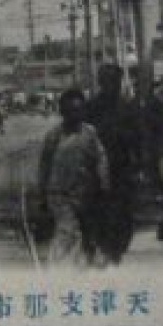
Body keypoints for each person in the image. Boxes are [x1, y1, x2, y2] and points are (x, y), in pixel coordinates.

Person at [37, 88, 110, 268]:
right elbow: (44, 166)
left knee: (87, 235)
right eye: (70, 111)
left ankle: (81, 267)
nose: (75, 115)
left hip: (86, 193)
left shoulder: (90, 133)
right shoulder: (53, 136)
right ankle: (55, 268)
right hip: (60, 194)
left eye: (78, 110)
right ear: (62, 112)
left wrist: (104, 183)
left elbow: (101, 158)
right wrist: (42, 195)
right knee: (68, 231)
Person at [85, 63, 138, 265]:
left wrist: (138, 163)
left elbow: (138, 138)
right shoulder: (90, 108)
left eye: (114, 81)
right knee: (99, 211)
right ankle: (103, 249)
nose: (111, 86)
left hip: (121, 167)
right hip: (95, 170)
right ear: (100, 83)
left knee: (123, 212)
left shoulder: (127, 108)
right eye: (107, 81)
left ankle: (116, 250)